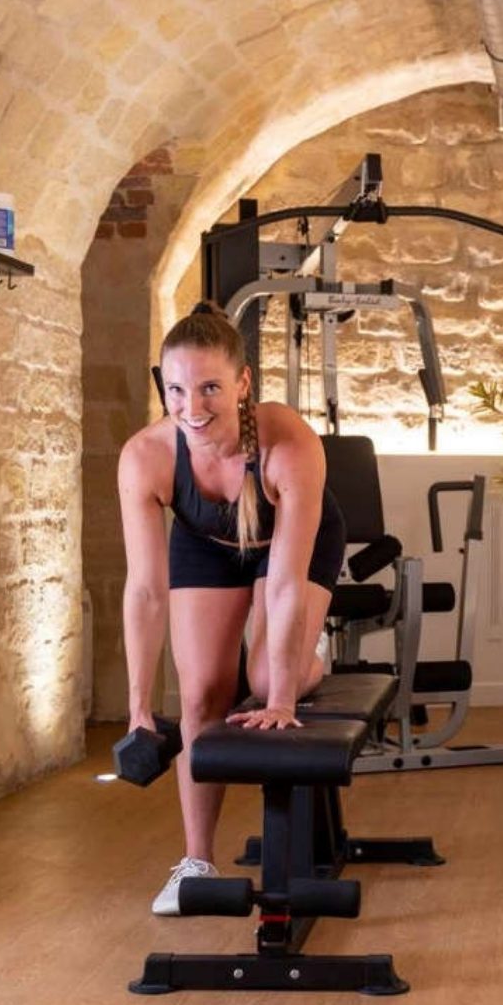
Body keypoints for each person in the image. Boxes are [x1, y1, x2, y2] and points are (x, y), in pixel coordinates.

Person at [118, 302, 346, 915]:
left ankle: (307, 657)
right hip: (207, 544)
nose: (193, 406)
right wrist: (139, 707)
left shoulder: (287, 441)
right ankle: (195, 862)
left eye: (211, 387)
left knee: (269, 677)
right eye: (177, 389)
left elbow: (285, 582)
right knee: (200, 696)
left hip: (288, 545)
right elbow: (144, 592)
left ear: (243, 384)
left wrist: (280, 700)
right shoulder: (146, 457)